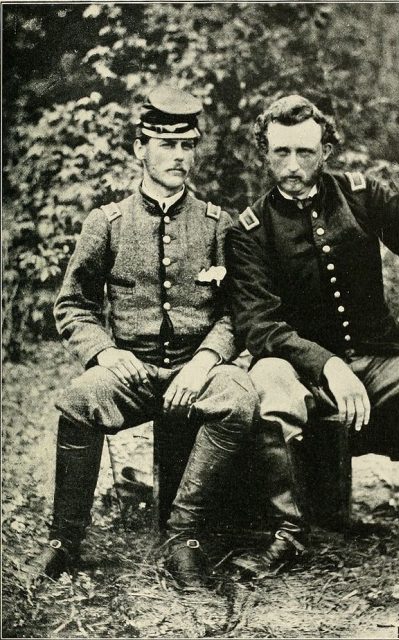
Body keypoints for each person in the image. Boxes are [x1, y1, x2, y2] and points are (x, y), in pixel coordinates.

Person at [225, 94, 399, 583]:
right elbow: (257, 325)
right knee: (267, 381)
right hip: (303, 373)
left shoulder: (364, 196)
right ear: (264, 152)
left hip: (379, 362)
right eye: (280, 151)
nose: (292, 165)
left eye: (305, 152)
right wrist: (328, 365)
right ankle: (288, 533)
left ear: (326, 150)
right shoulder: (250, 229)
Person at [22, 85, 257, 588]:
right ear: (139, 148)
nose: (179, 156)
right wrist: (104, 351)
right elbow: (73, 305)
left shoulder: (219, 224)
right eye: (166, 144)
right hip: (134, 372)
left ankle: (182, 533)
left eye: (187, 145)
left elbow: (239, 311)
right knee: (79, 401)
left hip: (197, 371)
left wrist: (207, 361)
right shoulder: (106, 223)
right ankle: (64, 540)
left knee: (239, 397)